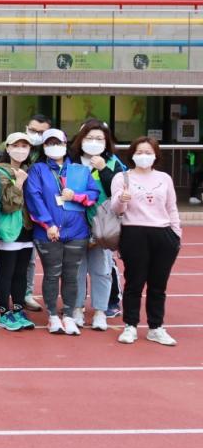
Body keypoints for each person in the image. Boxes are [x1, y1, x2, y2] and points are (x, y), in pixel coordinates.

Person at [24, 129, 99, 335]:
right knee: (52, 274)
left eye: (58, 142)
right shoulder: (37, 170)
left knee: (71, 275)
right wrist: (48, 224)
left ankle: (68, 315)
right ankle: (52, 316)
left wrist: (76, 196)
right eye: (50, 143)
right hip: (47, 233)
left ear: (66, 145)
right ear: (44, 147)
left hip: (77, 232)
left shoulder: (80, 170)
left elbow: (93, 194)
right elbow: (34, 197)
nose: (54, 146)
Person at [110, 137, 181, 346]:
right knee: (134, 282)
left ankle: (156, 327)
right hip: (134, 233)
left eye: (148, 152)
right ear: (132, 154)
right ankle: (130, 325)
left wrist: (176, 234)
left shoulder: (164, 178)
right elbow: (116, 209)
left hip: (163, 234)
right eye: (139, 152)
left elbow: (171, 207)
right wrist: (121, 200)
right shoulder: (122, 177)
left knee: (158, 285)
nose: (143, 156)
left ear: (156, 155)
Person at [70, 119, 124, 330]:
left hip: (102, 225)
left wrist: (103, 169)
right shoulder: (71, 160)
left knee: (101, 270)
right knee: (76, 270)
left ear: (106, 141)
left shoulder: (112, 162)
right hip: (74, 224)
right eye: (89, 138)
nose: (94, 142)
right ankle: (76, 309)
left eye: (99, 139)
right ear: (81, 139)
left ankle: (100, 311)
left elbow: (118, 192)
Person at [0, 133, 36, 331]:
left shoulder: (29, 170)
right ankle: (4, 313)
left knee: (21, 273)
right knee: (6, 272)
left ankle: (18, 309)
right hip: (8, 229)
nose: (20, 150)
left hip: (26, 228)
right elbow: (8, 205)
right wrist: (18, 183)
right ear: (7, 148)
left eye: (25, 146)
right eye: (16, 145)